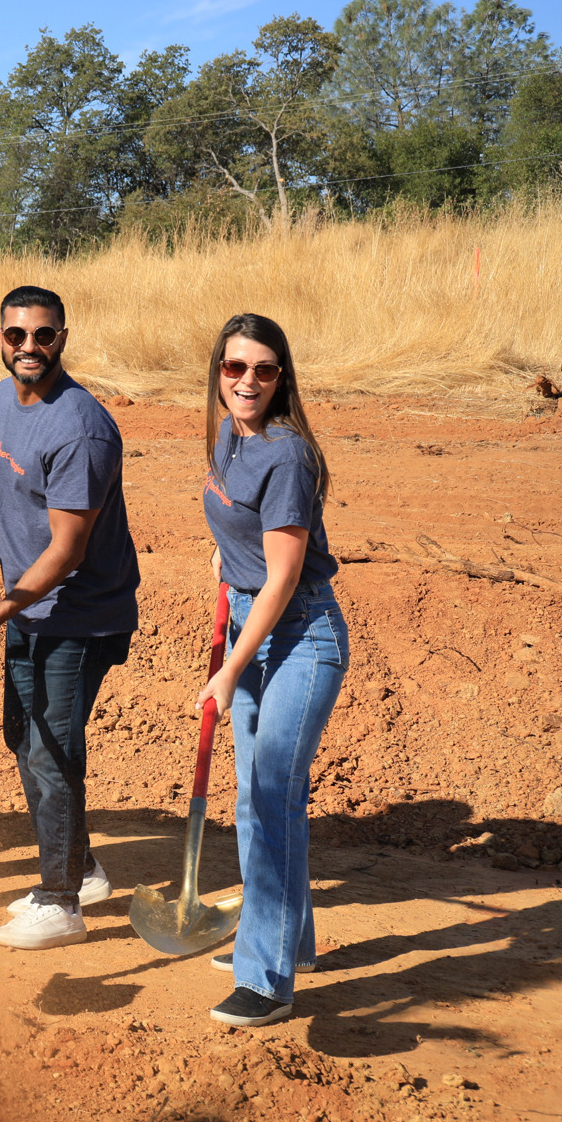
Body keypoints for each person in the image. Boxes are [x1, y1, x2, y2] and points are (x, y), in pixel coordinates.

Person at [0, 284, 140, 952]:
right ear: (1, 337)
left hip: (80, 613)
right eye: (16, 334)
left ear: (63, 337)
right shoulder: (5, 399)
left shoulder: (81, 428)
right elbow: (21, 480)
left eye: (43, 334)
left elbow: (67, 551)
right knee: (20, 737)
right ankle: (80, 870)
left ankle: (61, 904)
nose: (29, 346)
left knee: (51, 750)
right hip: (32, 604)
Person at [196, 314, 347, 1027]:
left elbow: (284, 578)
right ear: (219, 372)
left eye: (263, 369)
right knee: (254, 800)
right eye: (235, 367)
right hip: (249, 622)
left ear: (281, 377)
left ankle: (265, 979)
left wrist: (230, 669)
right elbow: (244, 530)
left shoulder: (287, 455)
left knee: (272, 797)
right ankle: (293, 940)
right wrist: (227, 560)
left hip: (300, 637)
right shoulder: (230, 435)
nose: (247, 381)